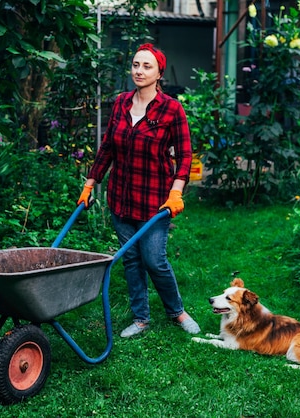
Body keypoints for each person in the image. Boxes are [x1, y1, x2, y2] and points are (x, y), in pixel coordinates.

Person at [77, 43, 200, 338]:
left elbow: (184, 155)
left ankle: (177, 311)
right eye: (135, 65)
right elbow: (107, 147)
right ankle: (141, 317)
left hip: (155, 201)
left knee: (154, 260)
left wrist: (177, 192)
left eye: (147, 66)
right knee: (131, 259)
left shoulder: (171, 109)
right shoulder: (121, 103)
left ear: (159, 73)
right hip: (120, 198)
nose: (139, 71)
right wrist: (89, 183)